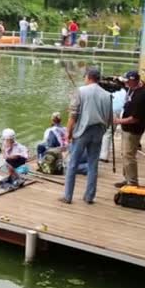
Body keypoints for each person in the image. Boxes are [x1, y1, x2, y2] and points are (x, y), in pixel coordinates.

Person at [60, 68, 112, 204]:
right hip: (99, 131)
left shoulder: (81, 91)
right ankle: (89, 196)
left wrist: (68, 132)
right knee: (93, 164)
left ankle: (68, 196)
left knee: (72, 163)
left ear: (88, 77)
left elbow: (73, 115)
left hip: (83, 131)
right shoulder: (107, 95)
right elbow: (109, 118)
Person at [113, 71, 145, 188]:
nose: (126, 83)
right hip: (126, 127)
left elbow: (135, 119)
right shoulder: (132, 87)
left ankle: (133, 182)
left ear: (134, 81)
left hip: (133, 129)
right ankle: (127, 178)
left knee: (129, 155)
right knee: (125, 154)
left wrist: (118, 121)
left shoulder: (142, 95)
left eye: (128, 81)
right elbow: (121, 84)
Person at [99, 78, 126, 162]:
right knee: (110, 133)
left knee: (107, 133)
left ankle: (103, 155)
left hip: (110, 112)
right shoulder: (124, 91)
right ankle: (104, 153)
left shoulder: (109, 91)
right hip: (119, 112)